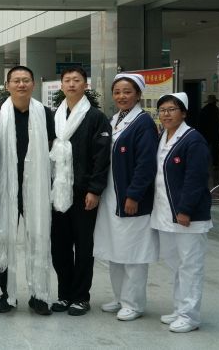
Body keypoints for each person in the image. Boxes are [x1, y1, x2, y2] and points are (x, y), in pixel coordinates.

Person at [0, 66, 55, 316]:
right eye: (16, 81)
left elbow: (52, 147)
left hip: (36, 187)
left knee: (39, 237)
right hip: (5, 186)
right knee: (5, 238)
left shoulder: (45, 113)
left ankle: (39, 295)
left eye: (26, 80)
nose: (21, 85)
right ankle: (7, 295)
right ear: (8, 85)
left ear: (33, 84)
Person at [93, 74, 159, 322]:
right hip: (112, 196)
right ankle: (120, 297)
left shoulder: (143, 123)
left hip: (130, 199)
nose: (122, 96)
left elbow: (146, 164)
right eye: (117, 92)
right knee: (115, 250)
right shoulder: (115, 120)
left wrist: (134, 195)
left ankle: (134, 303)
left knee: (133, 253)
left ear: (138, 95)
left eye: (127, 92)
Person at [49, 67, 112, 317]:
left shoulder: (95, 117)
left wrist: (94, 190)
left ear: (85, 85)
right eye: (67, 80)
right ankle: (64, 294)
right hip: (57, 192)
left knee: (83, 246)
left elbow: (101, 157)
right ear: (61, 85)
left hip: (83, 192)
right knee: (59, 246)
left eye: (77, 80)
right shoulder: (55, 116)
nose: (71, 84)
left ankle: (81, 297)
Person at [152, 92, 213, 334]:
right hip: (165, 214)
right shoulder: (163, 136)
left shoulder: (193, 140)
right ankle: (179, 309)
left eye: (172, 109)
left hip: (188, 217)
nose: (166, 114)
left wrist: (186, 209)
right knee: (176, 265)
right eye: (162, 110)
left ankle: (190, 316)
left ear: (184, 113)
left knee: (190, 266)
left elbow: (196, 179)